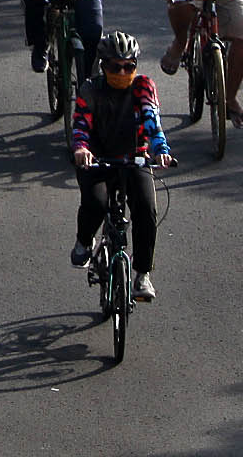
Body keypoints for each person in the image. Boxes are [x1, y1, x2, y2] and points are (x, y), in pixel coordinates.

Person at [70, 32, 173, 302]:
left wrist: (161, 150)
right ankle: (84, 240)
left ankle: (143, 275)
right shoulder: (91, 89)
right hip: (96, 159)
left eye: (129, 66)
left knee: (146, 209)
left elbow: (152, 122)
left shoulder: (143, 86)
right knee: (95, 203)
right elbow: (80, 126)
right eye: (115, 67)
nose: (123, 72)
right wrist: (81, 149)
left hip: (134, 158)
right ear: (103, 65)